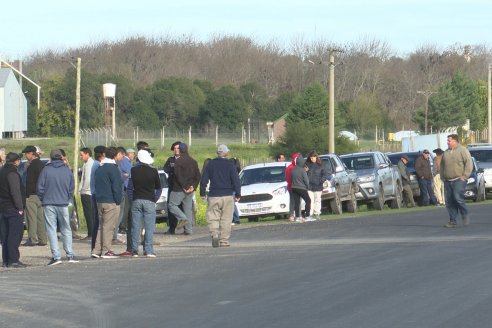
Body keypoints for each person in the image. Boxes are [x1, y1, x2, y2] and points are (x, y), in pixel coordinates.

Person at [37, 149, 78, 265]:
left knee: (51, 229)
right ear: (61, 158)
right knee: (66, 228)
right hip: (63, 203)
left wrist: (43, 198)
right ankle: (70, 254)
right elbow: (71, 188)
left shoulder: (45, 170)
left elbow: (40, 188)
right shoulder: (67, 171)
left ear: (51, 158)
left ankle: (56, 256)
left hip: (49, 203)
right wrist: (68, 198)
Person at [200, 144, 241, 247]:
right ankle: (224, 241)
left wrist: (202, 192)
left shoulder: (210, 164)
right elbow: (236, 180)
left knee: (213, 217)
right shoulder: (230, 164)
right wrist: (238, 193)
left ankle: (214, 234)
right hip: (227, 195)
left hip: (214, 194)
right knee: (226, 219)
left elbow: (204, 179)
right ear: (226, 153)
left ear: (217, 153)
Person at [127, 149, 161, 257]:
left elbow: (129, 187)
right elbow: (158, 188)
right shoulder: (154, 171)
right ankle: (148, 250)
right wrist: (154, 199)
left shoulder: (133, 170)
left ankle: (134, 250)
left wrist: (132, 198)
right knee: (149, 227)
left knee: (135, 227)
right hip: (149, 200)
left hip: (137, 200)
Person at [93, 147, 122, 258]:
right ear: (115, 156)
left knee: (101, 227)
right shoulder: (113, 168)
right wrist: (118, 200)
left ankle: (96, 250)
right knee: (108, 227)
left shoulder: (100, 168)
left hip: (100, 200)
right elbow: (117, 187)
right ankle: (106, 250)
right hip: (110, 201)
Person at [0, 152, 27, 268]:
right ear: (16, 161)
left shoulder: (2, 171)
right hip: (12, 208)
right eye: (18, 160)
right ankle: (13, 260)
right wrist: (20, 207)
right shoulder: (12, 173)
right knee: (14, 234)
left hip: (3, 207)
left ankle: (6, 259)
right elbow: (15, 192)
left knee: (5, 234)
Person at [440, 134, 473, 228]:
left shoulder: (462, 150)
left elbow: (469, 163)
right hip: (448, 180)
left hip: (459, 179)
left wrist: (465, 176)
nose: (447, 142)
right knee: (449, 201)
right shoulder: (445, 152)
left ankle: (464, 214)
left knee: (457, 197)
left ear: (455, 141)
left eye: (449, 140)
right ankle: (452, 221)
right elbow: (442, 166)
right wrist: (442, 176)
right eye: (447, 140)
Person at [168, 143, 201, 234]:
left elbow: (178, 176)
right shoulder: (193, 161)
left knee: (172, 205)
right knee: (187, 209)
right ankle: (188, 230)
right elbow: (198, 176)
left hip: (179, 188)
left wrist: (185, 186)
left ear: (180, 150)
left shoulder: (178, 162)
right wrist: (193, 186)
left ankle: (182, 218)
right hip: (190, 190)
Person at [21, 145, 47, 247]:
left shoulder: (31, 166)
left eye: (26, 154)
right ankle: (43, 239)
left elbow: (29, 182)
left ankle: (32, 239)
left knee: (31, 218)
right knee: (40, 219)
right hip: (41, 196)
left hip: (31, 195)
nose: (26, 156)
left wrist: (26, 196)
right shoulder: (41, 164)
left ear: (31, 153)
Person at [113, 147, 131, 244]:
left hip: (117, 191)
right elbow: (123, 176)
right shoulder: (116, 164)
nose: (123, 158)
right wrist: (125, 176)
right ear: (119, 154)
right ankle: (113, 237)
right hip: (120, 191)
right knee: (118, 215)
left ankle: (113, 236)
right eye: (122, 156)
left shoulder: (116, 163)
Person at [163, 141, 182, 234]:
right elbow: (165, 169)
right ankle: (172, 227)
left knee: (183, 207)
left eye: (178, 148)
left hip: (182, 187)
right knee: (171, 207)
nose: (176, 150)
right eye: (174, 148)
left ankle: (186, 228)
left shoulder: (184, 160)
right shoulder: (171, 160)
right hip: (172, 186)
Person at [305, 151, 326, 220]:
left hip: (318, 185)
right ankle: (309, 214)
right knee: (310, 200)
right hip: (309, 186)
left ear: (316, 157)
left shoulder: (321, 165)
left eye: (313, 158)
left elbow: (324, 174)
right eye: (310, 158)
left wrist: (321, 181)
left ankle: (317, 213)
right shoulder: (307, 165)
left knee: (317, 200)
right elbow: (304, 174)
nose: (312, 159)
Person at [79, 147, 94, 241]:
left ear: (87, 154)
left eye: (82, 155)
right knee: (88, 214)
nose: (81, 157)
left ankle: (91, 233)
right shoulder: (85, 164)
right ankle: (90, 232)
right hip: (86, 191)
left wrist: (84, 189)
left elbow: (88, 179)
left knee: (89, 214)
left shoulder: (89, 164)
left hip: (88, 192)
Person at [291, 155, 311, 222]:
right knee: (308, 200)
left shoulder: (293, 169)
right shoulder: (302, 170)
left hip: (294, 187)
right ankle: (307, 216)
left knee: (297, 202)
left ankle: (297, 217)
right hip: (302, 188)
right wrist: (308, 187)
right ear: (301, 162)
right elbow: (306, 180)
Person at [285, 153, 300, 222]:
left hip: (293, 186)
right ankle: (294, 215)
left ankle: (294, 215)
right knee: (295, 201)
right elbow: (288, 178)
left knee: (294, 201)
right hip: (294, 186)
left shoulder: (291, 167)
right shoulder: (291, 167)